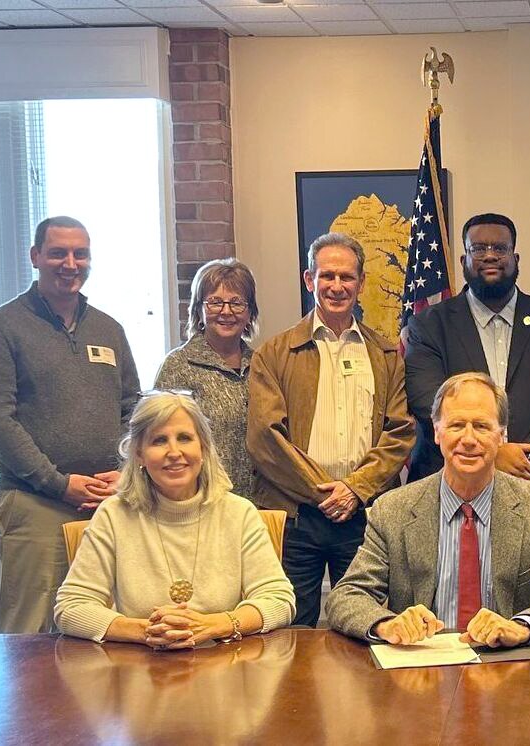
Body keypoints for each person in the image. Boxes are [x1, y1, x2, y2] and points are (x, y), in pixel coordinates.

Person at [0, 216, 140, 634]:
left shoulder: (108, 329)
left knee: (103, 628)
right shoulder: (0, 329)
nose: (70, 263)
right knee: (31, 635)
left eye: (80, 254)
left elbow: (132, 408)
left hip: (106, 503)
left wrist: (124, 474)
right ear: (35, 257)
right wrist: (58, 483)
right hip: (35, 504)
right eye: (58, 252)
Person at [326, 372, 530, 647]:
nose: (468, 439)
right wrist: (388, 625)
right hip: (420, 671)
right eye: (456, 425)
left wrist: (523, 628)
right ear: (436, 432)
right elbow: (346, 596)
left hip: (507, 667)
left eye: (481, 426)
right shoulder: (392, 510)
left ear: (502, 435)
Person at [247, 232, 415, 627]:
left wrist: (354, 490)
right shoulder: (274, 353)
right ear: (310, 280)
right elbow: (266, 437)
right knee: (291, 628)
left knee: (363, 624)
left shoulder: (387, 353)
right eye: (327, 277)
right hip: (297, 515)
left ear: (360, 284)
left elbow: (400, 430)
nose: (336, 287)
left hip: (363, 515)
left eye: (346, 277)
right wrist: (325, 491)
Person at [54, 391, 295, 647]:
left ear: (203, 448)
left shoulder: (239, 513)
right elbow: (71, 606)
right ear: (139, 454)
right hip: (139, 670)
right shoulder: (113, 515)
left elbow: (279, 601)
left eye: (185, 438)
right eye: (159, 440)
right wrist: (148, 631)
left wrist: (214, 625)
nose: (174, 452)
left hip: (223, 671)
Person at [404, 212, 530, 501]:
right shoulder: (428, 324)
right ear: (464, 260)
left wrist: (527, 460)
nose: (490, 256)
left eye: (500, 248)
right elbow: (428, 398)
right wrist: (494, 454)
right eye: (478, 249)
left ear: (515, 258)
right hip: (452, 486)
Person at [155, 258, 260, 499]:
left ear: (250, 312)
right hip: (200, 502)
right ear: (198, 310)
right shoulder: (178, 366)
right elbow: (159, 439)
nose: (226, 311)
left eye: (237, 303)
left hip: (259, 507)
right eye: (215, 302)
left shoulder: (262, 364)